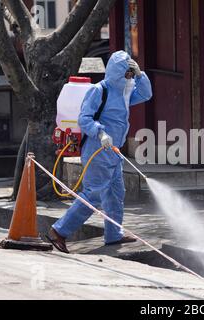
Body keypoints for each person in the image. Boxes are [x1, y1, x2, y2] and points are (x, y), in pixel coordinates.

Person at [46, 51, 152, 253]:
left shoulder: (125, 93)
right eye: (128, 73)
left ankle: (113, 235)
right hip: (97, 149)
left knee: (115, 194)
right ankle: (58, 232)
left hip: (113, 151)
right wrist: (100, 133)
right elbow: (84, 119)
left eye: (131, 74)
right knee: (93, 195)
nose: (129, 77)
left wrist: (141, 75)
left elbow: (146, 94)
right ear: (117, 72)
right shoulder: (99, 90)